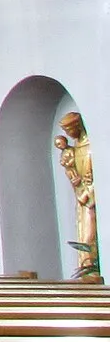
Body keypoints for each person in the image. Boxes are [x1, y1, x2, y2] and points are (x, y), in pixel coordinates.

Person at [56, 111, 97, 276]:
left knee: (89, 234)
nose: (68, 135)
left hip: (90, 197)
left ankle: (91, 266)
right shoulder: (74, 149)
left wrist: (88, 193)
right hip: (82, 196)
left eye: (69, 131)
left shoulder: (90, 146)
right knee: (84, 232)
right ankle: (87, 267)